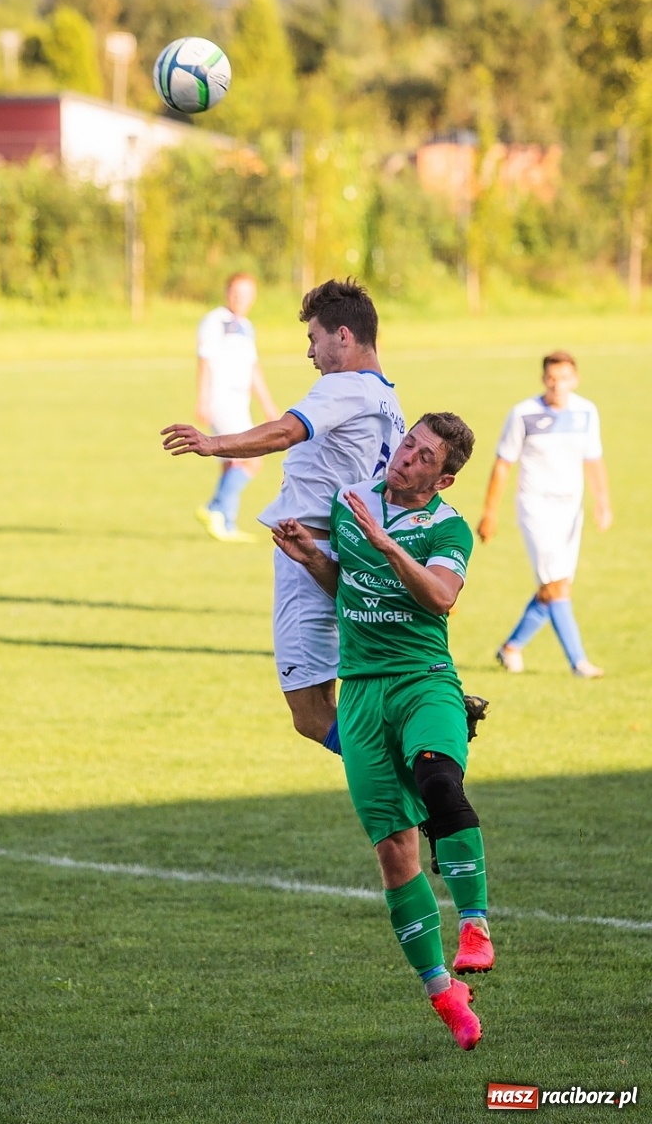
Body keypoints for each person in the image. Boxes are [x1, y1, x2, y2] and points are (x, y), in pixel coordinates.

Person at [272, 413, 492, 1051]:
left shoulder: (446, 528)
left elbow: (442, 597)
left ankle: (475, 925)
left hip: (423, 676)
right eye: (408, 444)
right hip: (363, 691)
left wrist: (389, 544)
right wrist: (314, 557)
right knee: (396, 854)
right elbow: (349, 586)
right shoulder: (353, 502)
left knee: (439, 779)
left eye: (425, 458)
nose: (406, 458)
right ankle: (443, 992)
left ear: (444, 477)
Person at [163, 277, 405, 751]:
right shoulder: (389, 400)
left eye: (313, 338)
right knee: (339, 701)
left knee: (311, 714)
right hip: (345, 557)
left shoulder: (343, 388)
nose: (310, 353)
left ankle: (417, 774)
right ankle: (411, 786)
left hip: (306, 552)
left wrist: (213, 444)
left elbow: (284, 433)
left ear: (343, 336)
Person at [477, 350, 612, 678]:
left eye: (564, 377)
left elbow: (593, 459)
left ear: (575, 379)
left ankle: (511, 648)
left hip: (571, 509)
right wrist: (490, 512)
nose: (558, 385)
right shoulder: (523, 414)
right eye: (552, 378)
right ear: (543, 380)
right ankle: (579, 663)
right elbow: (503, 464)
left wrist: (603, 502)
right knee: (555, 585)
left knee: (557, 585)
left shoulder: (586, 412)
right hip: (535, 507)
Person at [193, 272, 280, 543]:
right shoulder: (215, 321)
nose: (240, 298)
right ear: (226, 291)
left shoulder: (246, 326)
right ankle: (214, 508)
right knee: (252, 458)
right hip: (221, 400)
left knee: (231, 461)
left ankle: (226, 523)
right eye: (236, 292)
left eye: (246, 293)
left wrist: (267, 404)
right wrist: (203, 398)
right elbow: (204, 361)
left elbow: (253, 369)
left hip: (239, 401)